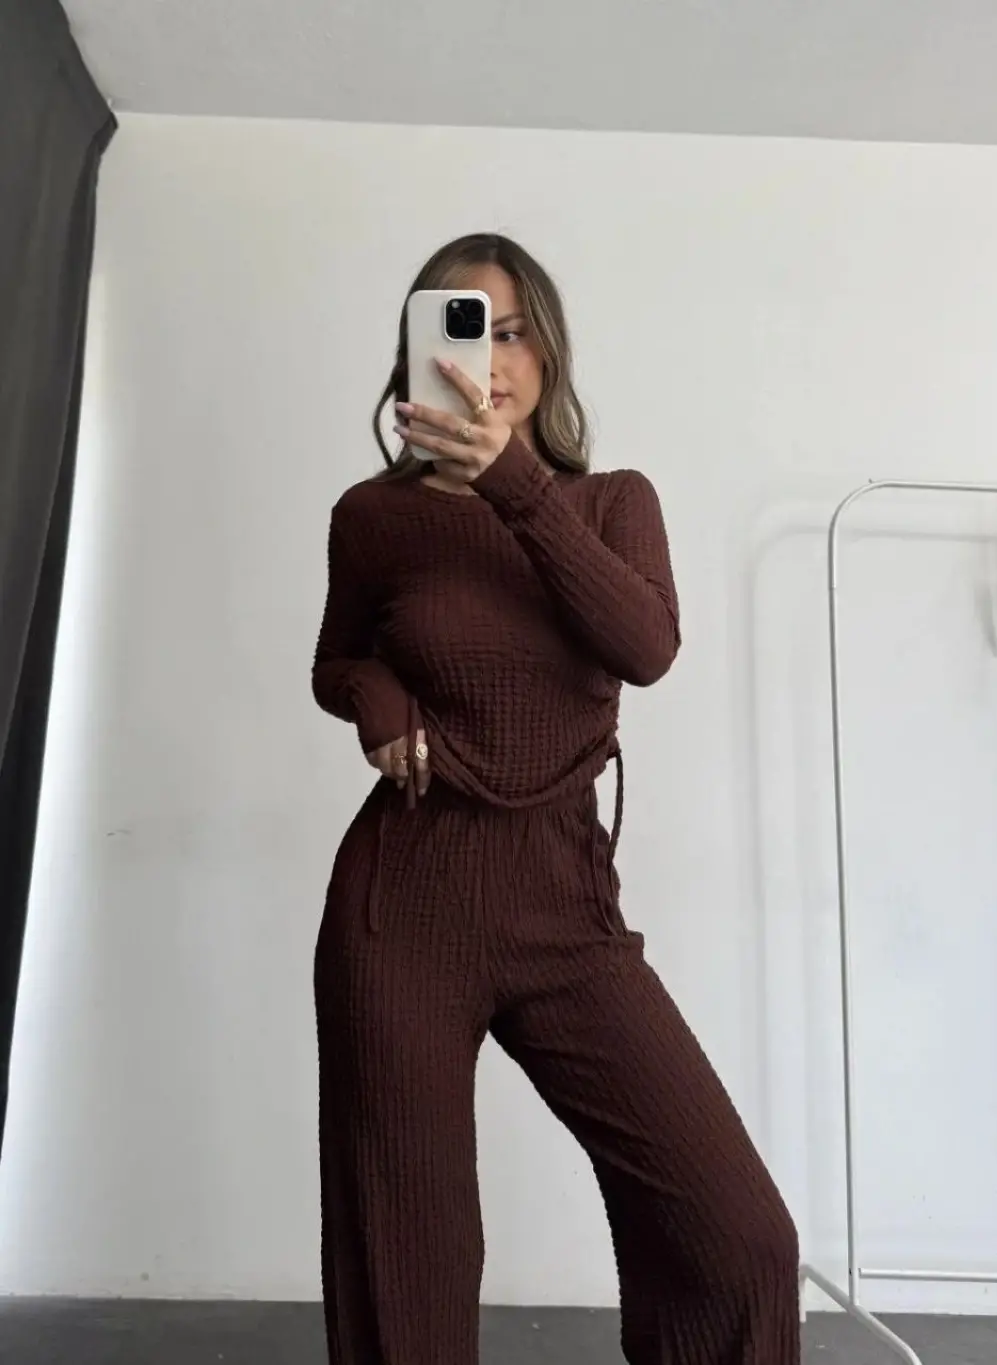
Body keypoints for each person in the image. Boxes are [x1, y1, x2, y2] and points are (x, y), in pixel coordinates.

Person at [311, 233, 799, 1365]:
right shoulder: (372, 518)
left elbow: (646, 646)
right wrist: (375, 695)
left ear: (549, 351)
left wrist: (513, 484)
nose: (490, 360)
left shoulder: (610, 502)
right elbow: (336, 661)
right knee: (412, 1264)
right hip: (403, 904)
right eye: (461, 331)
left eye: (514, 331)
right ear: (417, 354)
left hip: (563, 907)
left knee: (739, 1239)